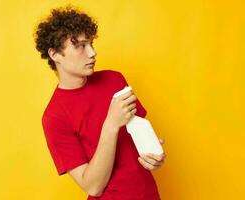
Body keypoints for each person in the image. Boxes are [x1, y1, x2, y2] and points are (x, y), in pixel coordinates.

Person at [34, 5, 166, 200]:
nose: (92, 53)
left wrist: (154, 153)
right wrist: (111, 125)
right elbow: (93, 187)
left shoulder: (114, 80)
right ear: (54, 54)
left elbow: (140, 133)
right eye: (80, 46)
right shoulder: (54, 117)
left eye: (91, 43)